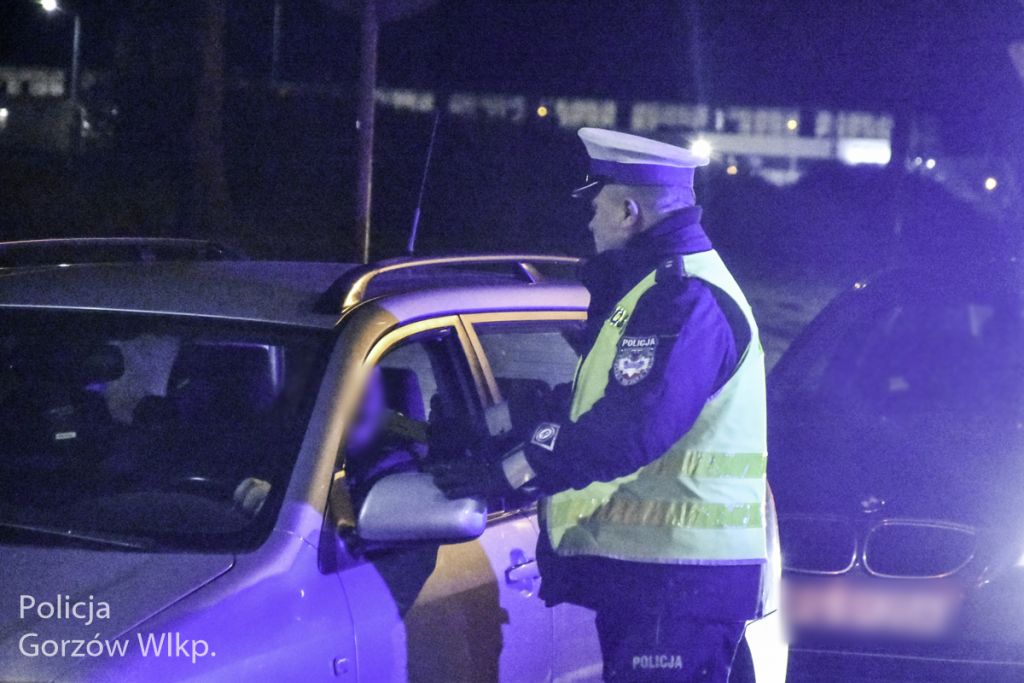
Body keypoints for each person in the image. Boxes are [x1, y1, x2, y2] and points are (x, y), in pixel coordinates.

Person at [433, 127, 769, 682]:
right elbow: (608, 400)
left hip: (675, 584)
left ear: (628, 212)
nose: (589, 222)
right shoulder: (659, 290)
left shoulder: (681, 298)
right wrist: (500, 419)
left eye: (596, 207)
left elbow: (628, 429)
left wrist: (509, 472)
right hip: (663, 581)